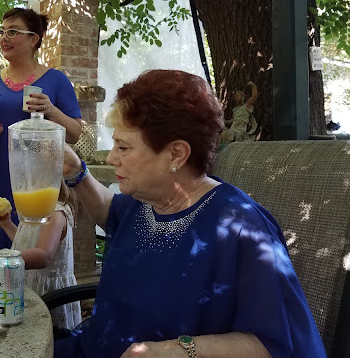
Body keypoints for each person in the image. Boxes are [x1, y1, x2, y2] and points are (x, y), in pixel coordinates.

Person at [55, 69, 325, 358]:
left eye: (123, 147)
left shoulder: (240, 230)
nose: (111, 158)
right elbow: (112, 213)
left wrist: (177, 351)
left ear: (176, 154)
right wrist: (75, 171)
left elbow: (269, 344)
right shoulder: (148, 199)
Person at [0, 7, 83, 248]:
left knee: (30, 252)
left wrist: (50, 109)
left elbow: (74, 133)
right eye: (2, 31)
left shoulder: (56, 80)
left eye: (13, 31)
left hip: (37, 181)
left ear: (34, 39)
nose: (4, 38)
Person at [0, 181, 81, 331]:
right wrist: (6, 224)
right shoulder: (34, 210)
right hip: (30, 285)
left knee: (48, 336)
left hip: (49, 295)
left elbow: (43, 256)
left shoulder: (56, 213)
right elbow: (26, 244)